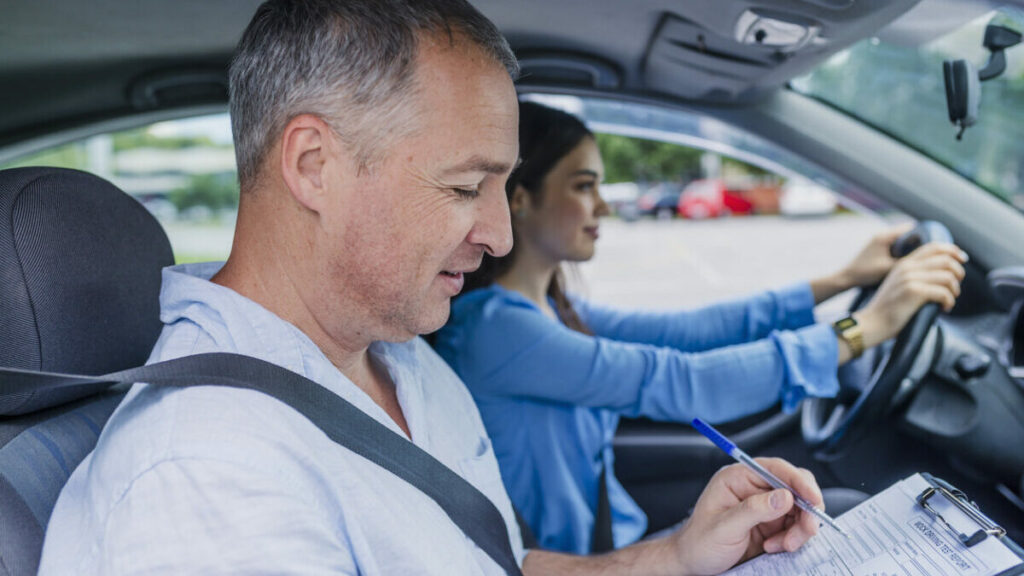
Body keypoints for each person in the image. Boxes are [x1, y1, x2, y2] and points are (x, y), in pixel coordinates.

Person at [41, 1, 833, 574]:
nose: (500, 236)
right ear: (314, 166)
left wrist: (678, 556)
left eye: (503, 188)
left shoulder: (400, 360)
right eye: (464, 189)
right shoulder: (206, 473)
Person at [433, 101, 968, 554]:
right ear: (520, 199)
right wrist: (865, 328)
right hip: (584, 562)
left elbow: (687, 332)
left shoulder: (549, 310)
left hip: (613, 538)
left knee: (835, 519)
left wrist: (841, 280)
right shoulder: (495, 331)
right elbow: (682, 381)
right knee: (844, 519)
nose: (603, 205)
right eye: (583, 185)